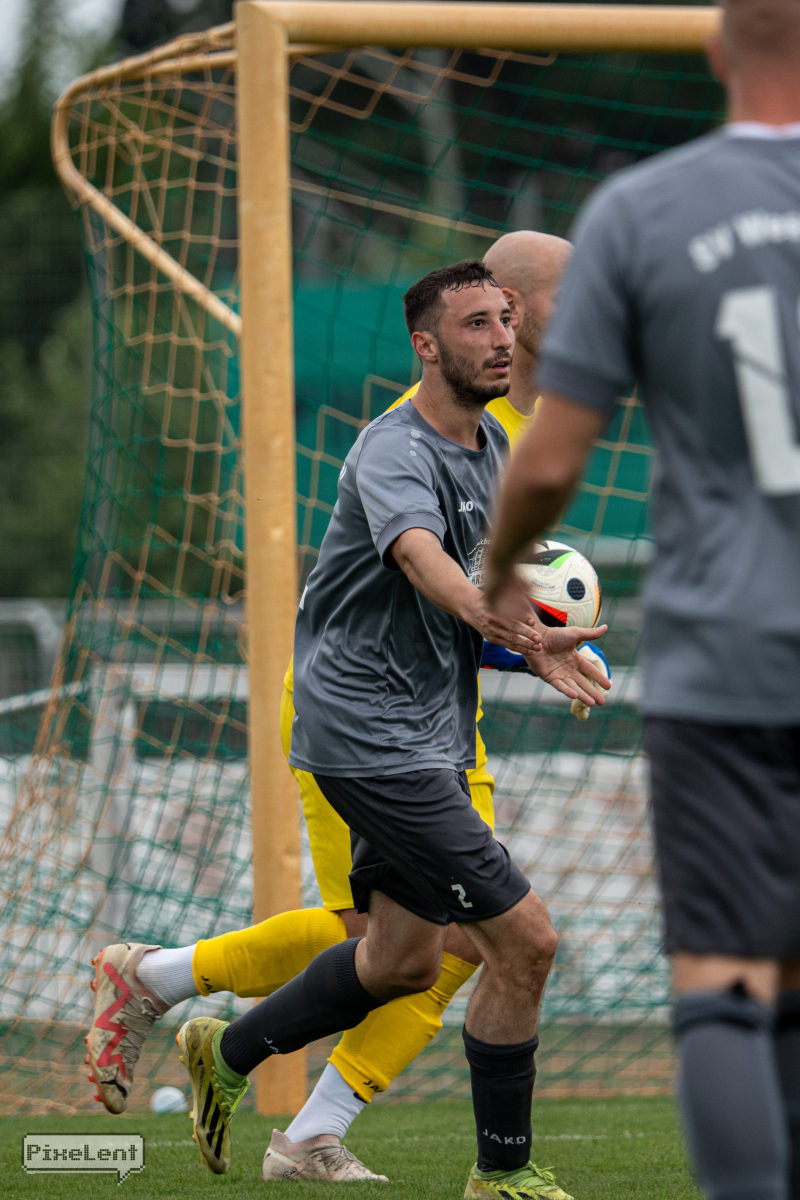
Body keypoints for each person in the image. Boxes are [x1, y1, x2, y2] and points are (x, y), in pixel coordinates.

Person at [85, 236, 575, 1184]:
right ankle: (189, 1008)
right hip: (363, 720)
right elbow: (424, 560)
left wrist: (534, 642)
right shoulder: (413, 430)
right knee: (500, 939)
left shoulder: (507, 426)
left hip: (432, 714)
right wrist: (498, 619)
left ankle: (224, 1047)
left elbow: (483, 578)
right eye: (572, 292)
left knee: (407, 957)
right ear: (507, 310)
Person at [483, 4, 800, 1200]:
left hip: (724, 664)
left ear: (716, 49)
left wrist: (503, 565)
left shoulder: (642, 211)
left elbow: (553, 454)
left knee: (724, 983)